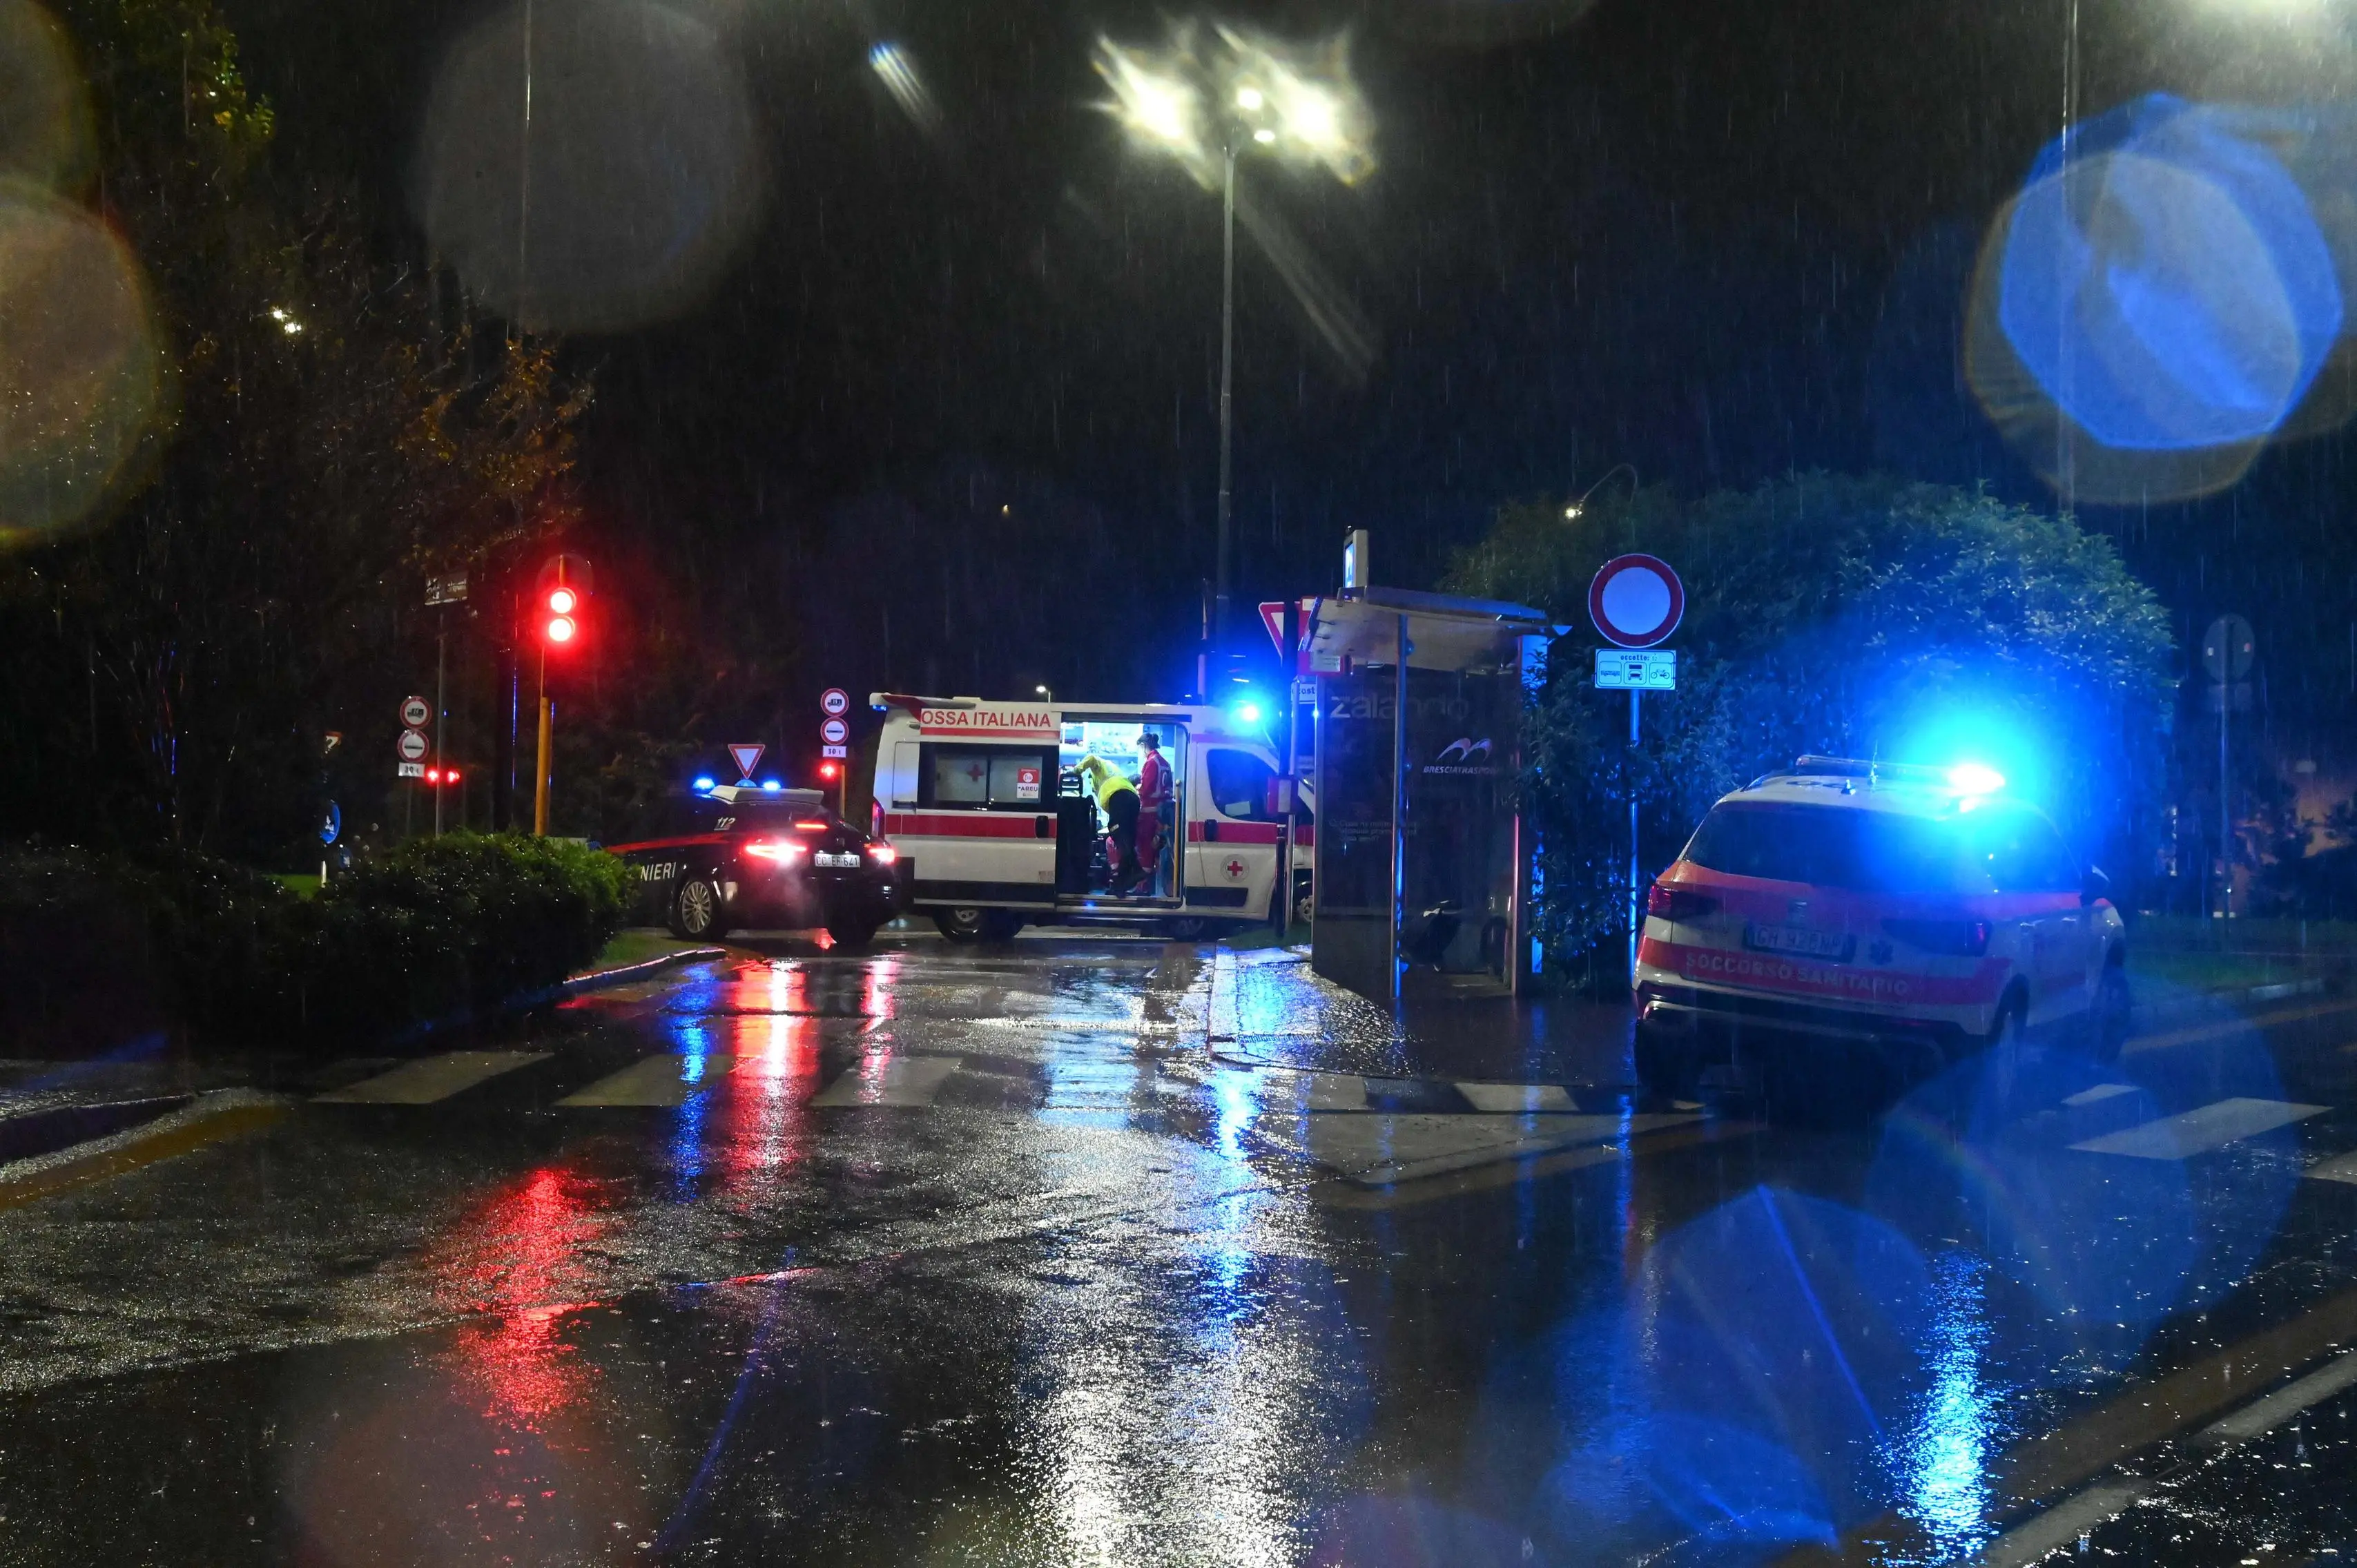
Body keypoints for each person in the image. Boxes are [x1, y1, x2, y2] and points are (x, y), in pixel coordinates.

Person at [1075, 754, 1143, 893]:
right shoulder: (1114, 772)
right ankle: (1122, 884)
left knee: (1116, 831)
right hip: (1132, 799)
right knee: (1126, 841)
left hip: (1120, 797)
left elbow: (1092, 758)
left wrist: (1076, 771)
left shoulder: (1100, 766)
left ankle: (1136, 870)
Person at [1134, 731, 1171, 896]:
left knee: (1144, 848)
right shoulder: (1165, 763)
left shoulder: (1151, 762)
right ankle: (1154, 885)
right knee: (1157, 849)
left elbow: (1146, 788)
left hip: (1149, 813)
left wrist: (1136, 788)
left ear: (1143, 746)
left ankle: (1143, 886)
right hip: (1163, 813)